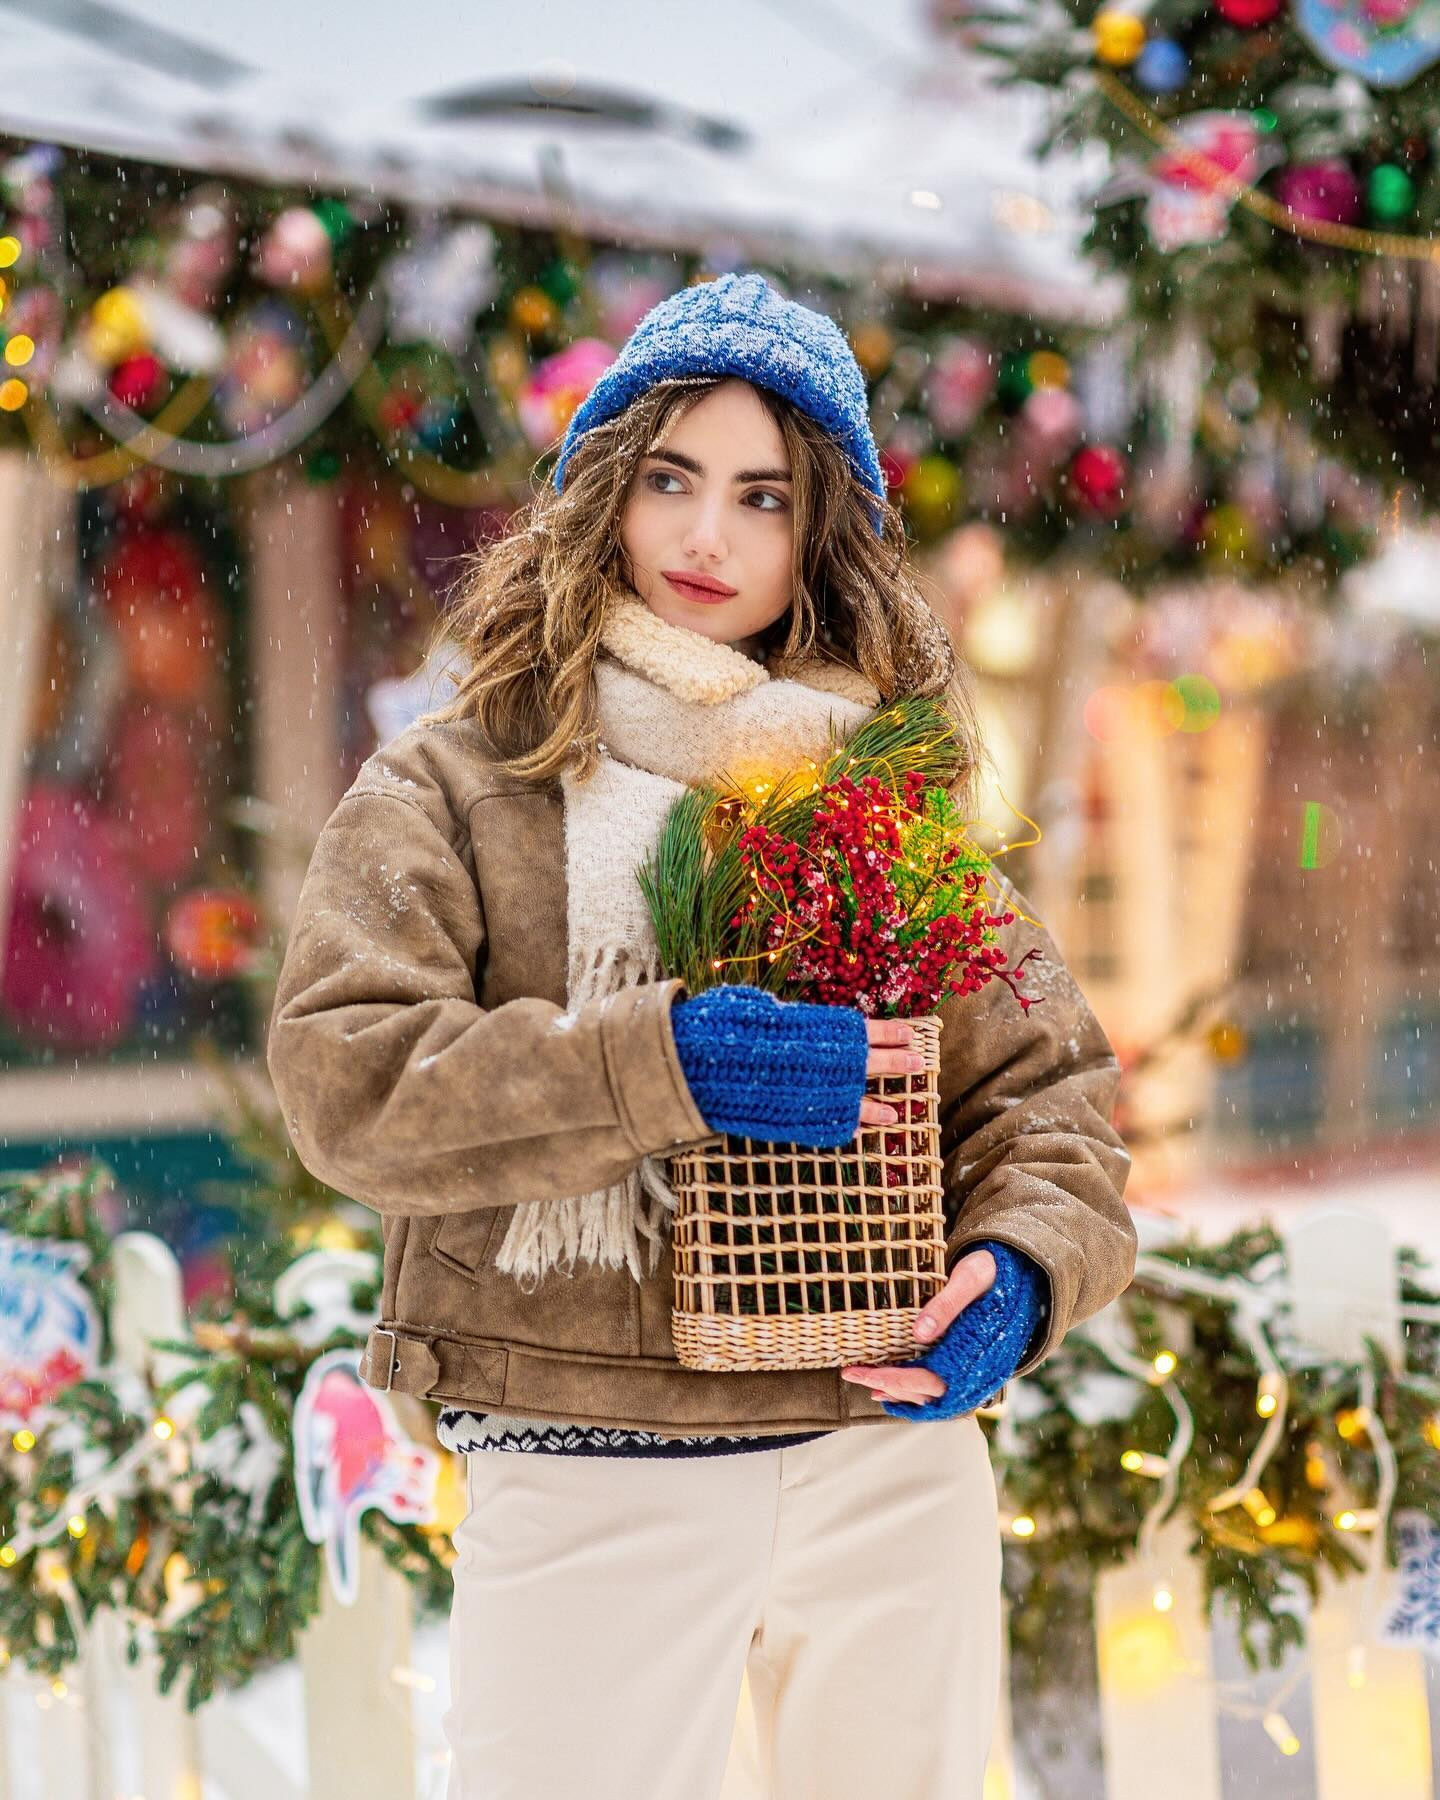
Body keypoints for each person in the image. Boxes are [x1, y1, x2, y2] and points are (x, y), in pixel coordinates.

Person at [267, 271, 1136, 1800]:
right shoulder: (457, 785)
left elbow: (1047, 1095)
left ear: (820, 535)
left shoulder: (880, 806)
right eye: (670, 479)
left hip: (882, 1453)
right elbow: (351, 1079)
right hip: (586, 1453)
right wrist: (655, 1066)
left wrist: (1019, 1272)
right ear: (605, 488)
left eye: (761, 496)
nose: (707, 538)